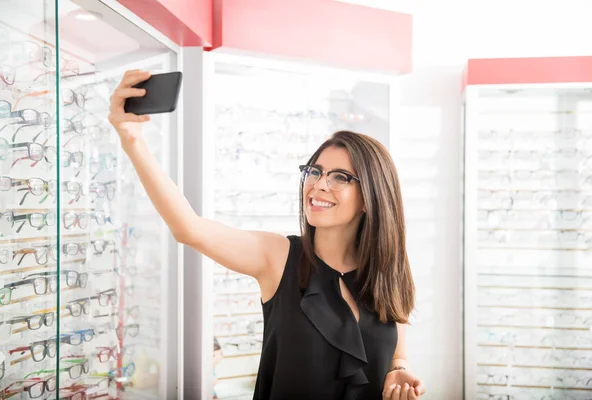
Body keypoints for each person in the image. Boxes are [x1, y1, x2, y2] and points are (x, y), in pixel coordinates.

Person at [109, 70, 427, 400]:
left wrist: (399, 369)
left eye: (339, 177)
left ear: (371, 198)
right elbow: (189, 228)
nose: (318, 185)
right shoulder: (278, 257)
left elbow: (396, 353)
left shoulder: (388, 271)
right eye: (314, 172)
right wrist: (132, 139)